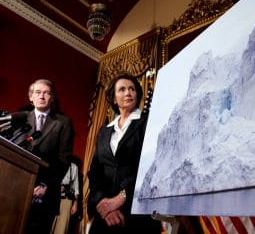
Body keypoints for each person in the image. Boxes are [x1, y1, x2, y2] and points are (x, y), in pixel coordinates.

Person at [87, 73, 161, 234]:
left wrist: (120, 199)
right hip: (105, 214)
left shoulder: (147, 123)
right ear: (114, 98)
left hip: (136, 213)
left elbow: (150, 164)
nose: (128, 93)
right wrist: (104, 203)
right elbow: (95, 171)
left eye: (132, 89)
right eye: (122, 89)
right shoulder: (104, 131)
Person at [17, 79, 75, 234]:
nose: (42, 96)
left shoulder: (63, 122)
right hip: (17, 188)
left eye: (46, 93)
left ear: (52, 98)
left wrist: (44, 184)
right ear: (31, 97)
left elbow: (63, 160)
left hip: (45, 193)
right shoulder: (20, 118)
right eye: (37, 92)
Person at [51, 155, 81, 234]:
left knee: (61, 228)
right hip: (52, 196)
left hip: (65, 200)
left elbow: (76, 187)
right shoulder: (54, 161)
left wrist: (75, 203)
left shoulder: (74, 167)